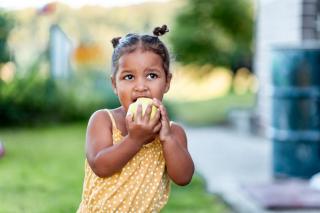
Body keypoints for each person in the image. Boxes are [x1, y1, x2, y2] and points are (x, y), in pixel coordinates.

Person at [77, 25, 194, 213]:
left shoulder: (174, 133)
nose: (141, 86)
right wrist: (135, 139)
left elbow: (183, 177)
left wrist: (167, 139)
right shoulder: (103, 121)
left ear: (167, 82)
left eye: (152, 75)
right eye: (129, 76)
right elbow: (101, 166)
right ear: (115, 84)